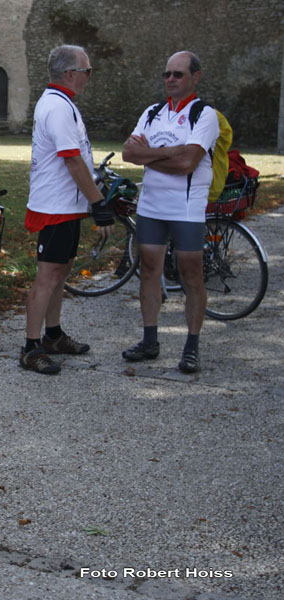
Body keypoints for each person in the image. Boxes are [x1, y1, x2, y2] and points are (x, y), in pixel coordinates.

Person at [121, 50, 220, 373]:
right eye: (167, 74)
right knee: (149, 269)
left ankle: (191, 346)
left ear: (196, 77)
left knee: (191, 273)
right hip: (151, 205)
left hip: (186, 207)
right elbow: (128, 154)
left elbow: (186, 163)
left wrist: (149, 154)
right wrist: (170, 151)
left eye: (178, 74)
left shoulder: (204, 115)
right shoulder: (152, 113)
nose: (171, 80)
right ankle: (150, 341)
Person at [20, 44, 114, 375]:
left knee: (62, 269)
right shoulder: (58, 107)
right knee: (48, 275)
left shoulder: (62, 103)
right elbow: (72, 159)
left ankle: (53, 334)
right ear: (71, 74)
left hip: (66, 204)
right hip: (55, 205)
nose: (89, 77)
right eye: (87, 71)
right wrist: (98, 203)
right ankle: (31, 347)